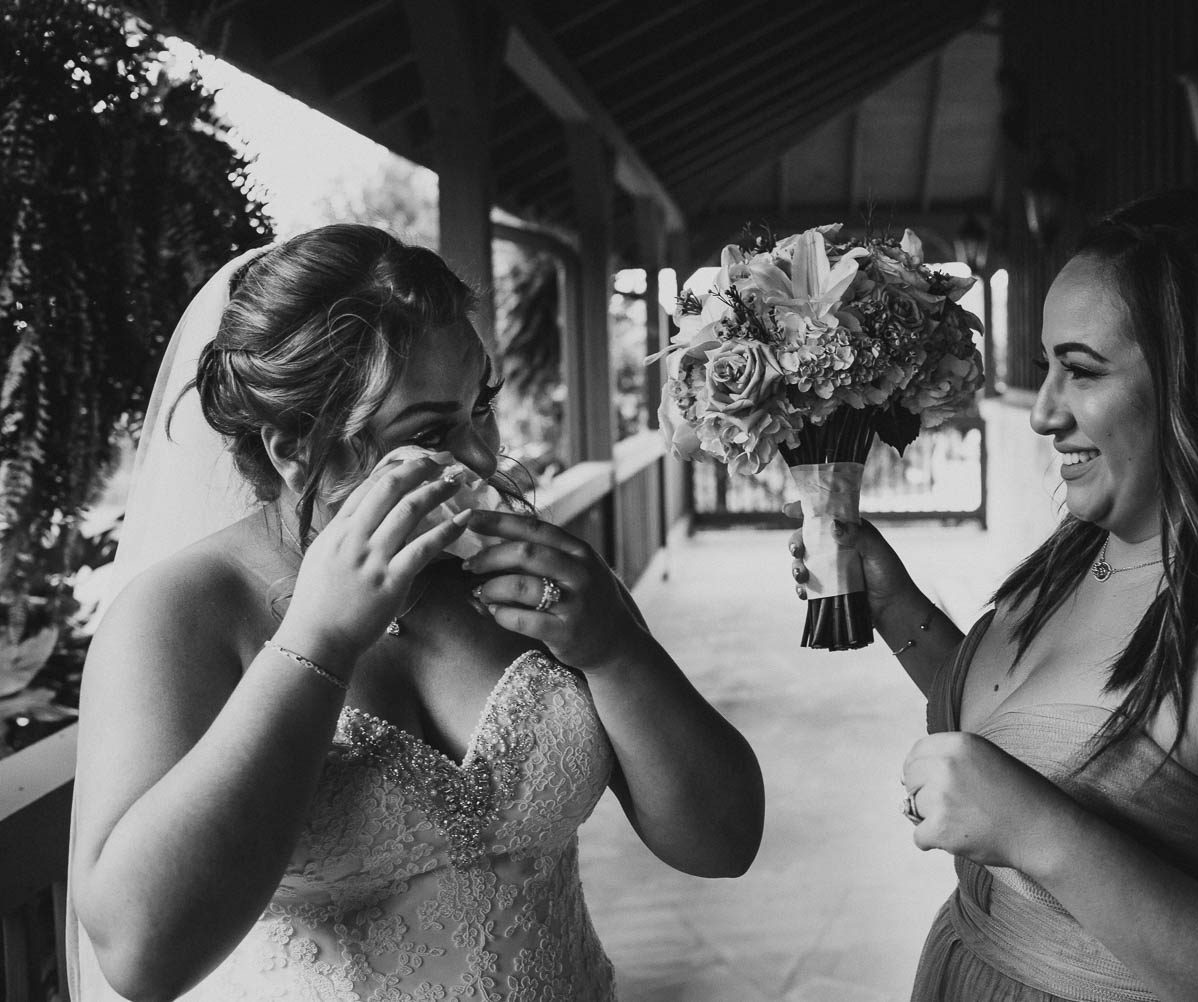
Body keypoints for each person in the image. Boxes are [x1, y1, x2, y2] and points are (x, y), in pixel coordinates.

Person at [67, 224, 764, 1002]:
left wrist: (615, 650)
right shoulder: (181, 614)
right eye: (431, 430)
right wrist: (316, 643)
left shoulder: (535, 572)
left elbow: (724, 842)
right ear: (296, 448)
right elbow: (139, 957)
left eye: (482, 407)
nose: (483, 460)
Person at [793, 188, 1198, 1001]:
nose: (1044, 414)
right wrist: (896, 608)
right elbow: (1056, 746)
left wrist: (1033, 831)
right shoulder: (1090, 550)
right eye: (1046, 369)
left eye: (1083, 371)